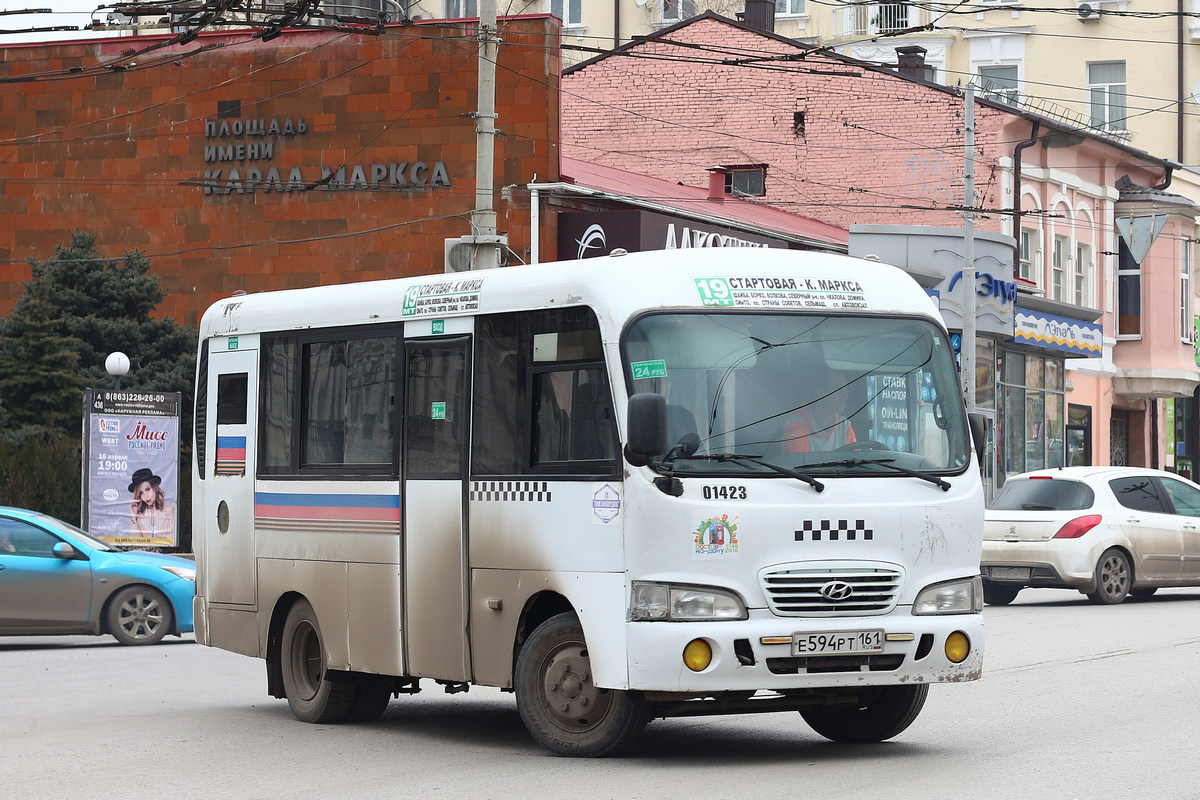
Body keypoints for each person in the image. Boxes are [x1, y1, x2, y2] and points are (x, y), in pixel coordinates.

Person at [783, 362, 857, 454]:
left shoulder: (844, 426)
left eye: (845, 390)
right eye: (839, 390)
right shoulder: (796, 424)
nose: (845, 396)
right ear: (820, 393)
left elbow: (857, 460)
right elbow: (798, 466)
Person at [128, 467, 175, 538]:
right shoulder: (139, 515)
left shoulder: (169, 510)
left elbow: (171, 538)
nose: (145, 496)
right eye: (141, 493)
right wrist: (133, 516)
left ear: (155, 487)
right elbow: (135, 541)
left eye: (147, 489)